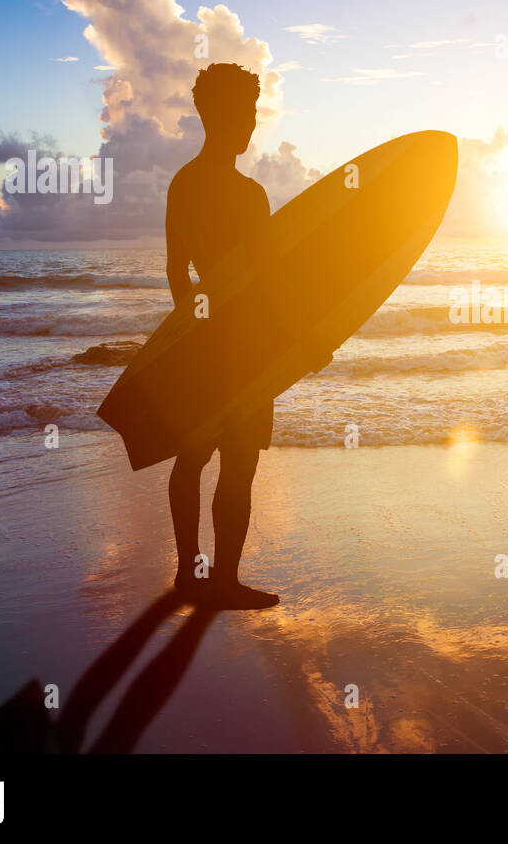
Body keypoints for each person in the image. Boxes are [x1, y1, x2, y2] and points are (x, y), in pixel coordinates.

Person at [163, 63, 329, 610]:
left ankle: (190, 578)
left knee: (192, 458)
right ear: (213, 114)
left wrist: (192, 328)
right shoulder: (248, 193)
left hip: (202, 344)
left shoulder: (181, 184)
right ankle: (223, 581)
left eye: (253, 111)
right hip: (247, 350)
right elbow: (271, 283)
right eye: (243, 111)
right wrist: (303, 339)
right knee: (236, 463)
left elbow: (176, 273)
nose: (250, 123)